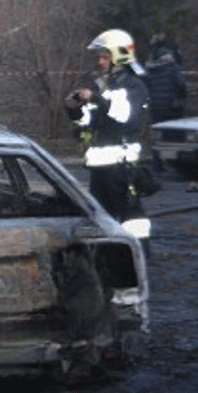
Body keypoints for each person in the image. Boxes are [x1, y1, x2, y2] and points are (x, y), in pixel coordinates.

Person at [64, 29, 152, 247]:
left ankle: (140, 257)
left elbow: (123, 115)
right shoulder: (101, 86)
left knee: (133, 221)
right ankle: (111, 260)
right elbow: (87, 122)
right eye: (98, 57)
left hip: (123, 167)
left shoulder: (134, 85)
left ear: (119, 57)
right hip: (100, 168)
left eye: (105, 57)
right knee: (102, 220)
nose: (100, 62)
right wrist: (73, 109)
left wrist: (94, 97)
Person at [144, 30, 188, 148]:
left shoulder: (149, 69)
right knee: (175, 137)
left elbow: (146, 87)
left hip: (156, 108)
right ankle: (174, 160)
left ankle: (158, 162)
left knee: (158, 138)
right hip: (172, 108)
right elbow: (181, 85)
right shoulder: (173, 67)